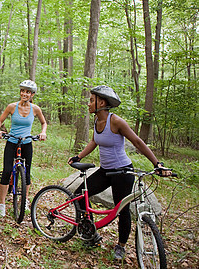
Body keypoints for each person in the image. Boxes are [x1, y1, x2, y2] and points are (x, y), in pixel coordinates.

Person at [68, 85, 172, 260]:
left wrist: (157, 164)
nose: (88, 103)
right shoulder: (96, 121)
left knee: (121, 209)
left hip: (123, 172)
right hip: (105, 171)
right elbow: (94, 141)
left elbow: (138, 142)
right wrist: (78, 156)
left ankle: (121, 246)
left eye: (91, 100)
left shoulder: (115, 121)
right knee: (79, 195)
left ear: (101, 102)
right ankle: (90, 232)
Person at [0, 80, 47, 217]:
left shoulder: (35, 109)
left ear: (32, 94)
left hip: (27, 142)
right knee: (6, 171)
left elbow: (44, 123)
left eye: (28, 92)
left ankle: (24, 200)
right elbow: (0, 121)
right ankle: (2, 204)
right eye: (22, 91)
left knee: (27, 172)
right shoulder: (12, 107)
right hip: (12, 141)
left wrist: (43, 132)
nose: (24, 94)